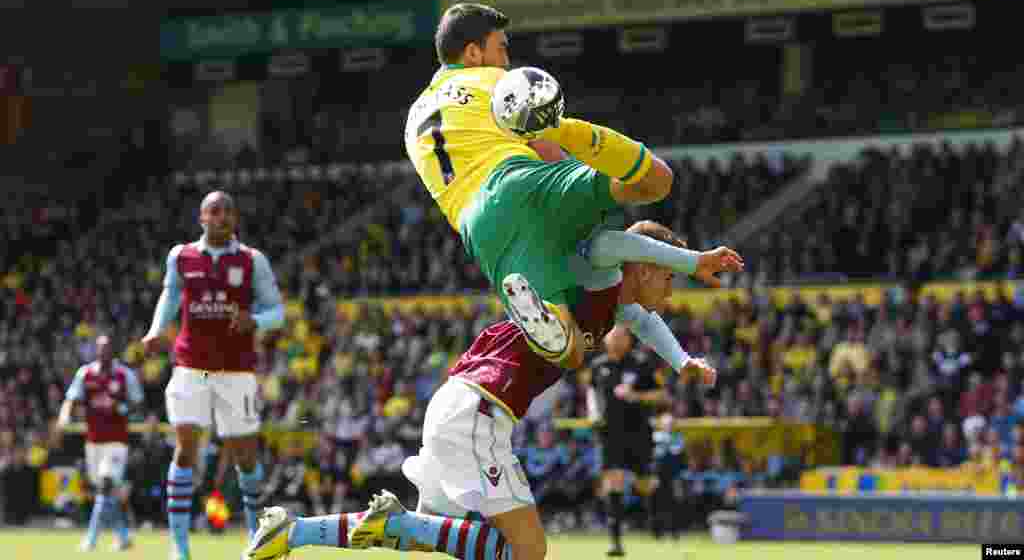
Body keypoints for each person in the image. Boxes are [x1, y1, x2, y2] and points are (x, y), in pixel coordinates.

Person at [244, 220, 718, 560]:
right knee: (528, 550)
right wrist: (695, 260)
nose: (673, 289)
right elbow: (618, 243)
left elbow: (648, 323)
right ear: (647, 266)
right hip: (482, 408)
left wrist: (683, 362)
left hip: (459, 400)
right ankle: (392, 521)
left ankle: (296, 531)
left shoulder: (617, 307)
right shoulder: (600, 272)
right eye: (669, 274)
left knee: (426, 537)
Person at [401, 2, 742, 373]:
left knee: (569, 351)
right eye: (501, 48)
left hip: (479, 226)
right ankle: (567, 126)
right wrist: (584, 203)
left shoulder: (413, 120)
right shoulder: (494, 82)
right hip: (524, 180)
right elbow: (546, 151)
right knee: (655, 180)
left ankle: (540, 312)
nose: (505, 59)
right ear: (472, 52)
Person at [142, 190, 285, 560]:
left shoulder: (253, 260)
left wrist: (254, 319)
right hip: (190, 366)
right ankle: (180, 546)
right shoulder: (181, 256)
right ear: (201, 217)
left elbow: (277, 313)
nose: (221, 216)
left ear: (235, 219)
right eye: (213, 211)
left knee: (246, 459)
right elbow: (170, 297)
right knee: (186, 448)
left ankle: (256, 539)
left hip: (236, 370)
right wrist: (157, 329)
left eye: (227, 211)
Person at [57, 334, 145, 552]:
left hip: (116, 442)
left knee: (105, 486)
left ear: (113, 351)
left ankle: (91, 539)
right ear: (96, 351)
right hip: (93, 442)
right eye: (100, 348)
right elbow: (72, 398)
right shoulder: (85, 373)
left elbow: (138, 402)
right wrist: (64, 416)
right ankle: (123, 537)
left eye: (108, 348)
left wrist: (122, 408)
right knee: (107, 492)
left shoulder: (124, 374)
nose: (104, 352)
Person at [591, 325, 671, 556]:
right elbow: (591, 392)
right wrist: (593, 412)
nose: (615, 340)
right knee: (613, 481)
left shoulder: (642, 363)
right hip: (609, 434)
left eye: (620, 336)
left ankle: (656, 520)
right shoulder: (598, 366)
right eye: (612, 336)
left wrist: (636, 396)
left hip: (638, 432)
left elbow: (662, 395)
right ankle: (615, 541)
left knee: (645, 483)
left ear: (628, 340)